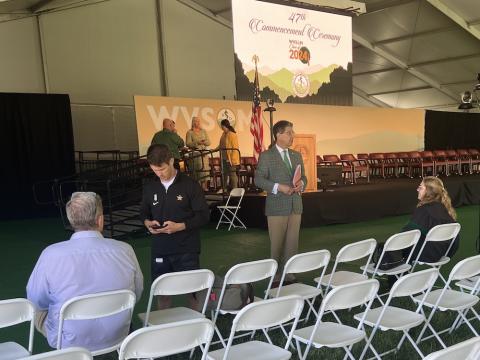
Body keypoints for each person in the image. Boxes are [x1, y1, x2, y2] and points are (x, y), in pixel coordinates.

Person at [26, 192, 143, 352]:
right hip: (118, 333)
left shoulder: (50, 254)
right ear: (100, 220)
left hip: (69, 341)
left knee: (38, 308)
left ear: (71, 220)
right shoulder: (125, 250)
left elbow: (36, 299)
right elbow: (137, 293)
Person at [140, 143, 210, 309]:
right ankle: (164, 330)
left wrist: (180, 226)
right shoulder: (150, 187)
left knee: (193, 292)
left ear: (171, 161)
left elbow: (204, 215)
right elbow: (143, 212)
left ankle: (198, 329)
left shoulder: (190, 185)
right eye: (155, 170)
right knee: (162, 294)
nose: (159, 174)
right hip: (160, 249)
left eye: (162, 169)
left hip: (186, 248)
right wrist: (147, 222)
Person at [254, 120, 306, 283]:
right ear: (278, 134)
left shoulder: (296, 155)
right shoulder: (266, 156)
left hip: (295, 205)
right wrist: (278, 187)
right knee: (276, 246)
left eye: (293, 132)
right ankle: (275, 277)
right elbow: (258, 180)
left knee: (292, 244)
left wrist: (302, 184)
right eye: (289, 132)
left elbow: (303, 177)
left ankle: (290, 274)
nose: (293, 135)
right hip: (276, 207)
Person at [402, 176, 459, 263]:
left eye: (420, 187)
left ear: (428, 191)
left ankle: (399, 276)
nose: (417, 189)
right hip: (446, 251)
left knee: (397, 247)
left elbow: (407, 234)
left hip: (429, 254)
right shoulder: (444, 208)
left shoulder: (424, 210)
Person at [186, 116, 211, 191]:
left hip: (203, 153)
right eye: (196, 121)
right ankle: (197, 188)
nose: (198, 123)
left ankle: (204, 187)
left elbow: (209, 142)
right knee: (197, 171)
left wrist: (203, 142)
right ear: (193, 122)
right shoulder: (190, 132)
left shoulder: (204, 131)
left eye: (199, 121)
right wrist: (197, 142)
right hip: (195, 154)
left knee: (205, 171)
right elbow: (188, 143)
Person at [218, 119, 240, 190]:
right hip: (224, 158)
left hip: (230, 159)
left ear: (224, 126)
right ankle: (224, 189)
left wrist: (232, 160)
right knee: (224, 174)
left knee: (232, 175)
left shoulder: (232, 135)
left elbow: (235, 148)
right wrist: (214, 150)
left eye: (222, 126)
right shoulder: (223, 134)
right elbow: (221, 145)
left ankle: (235, 189)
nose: (221, 128)